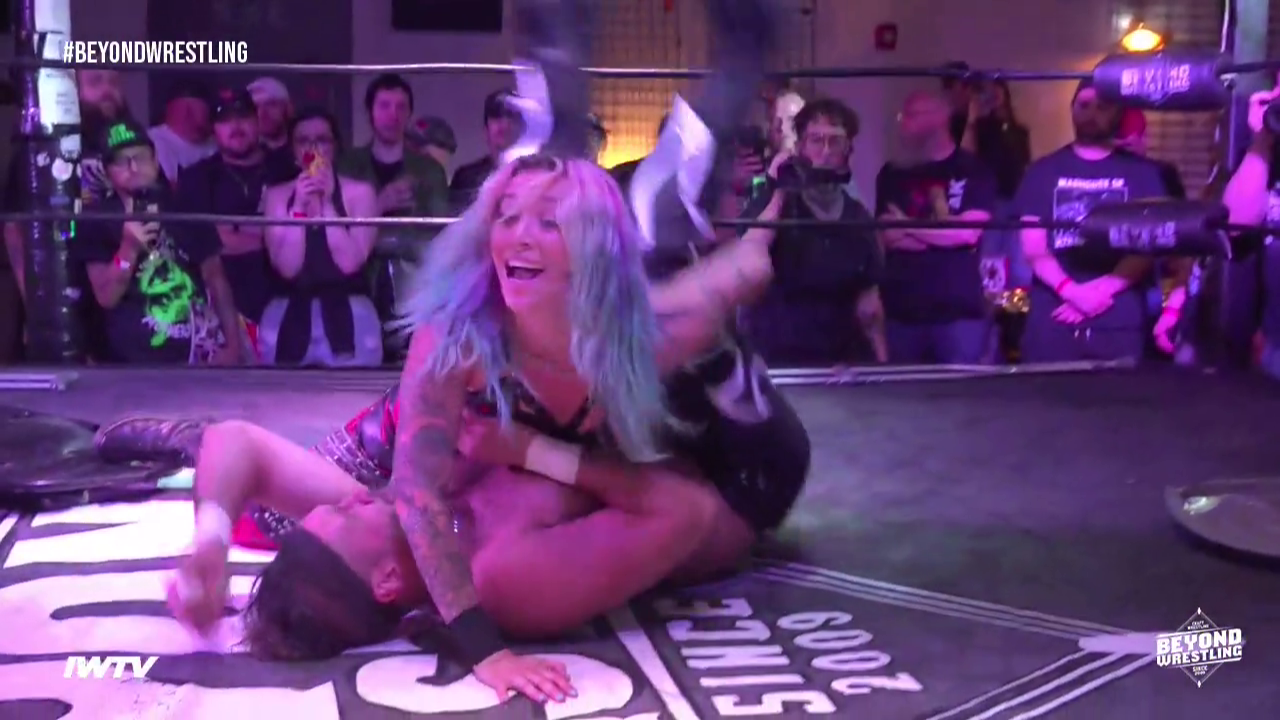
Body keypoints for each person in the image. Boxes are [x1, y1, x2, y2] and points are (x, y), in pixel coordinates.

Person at [1013, 79, 1166, 362]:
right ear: (1072, 109)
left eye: (1102, 107)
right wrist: (1071, 292)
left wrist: (1097, 293)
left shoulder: (1144, 173)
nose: (1092, 113)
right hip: (1053, 317)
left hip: (1118, 316)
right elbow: (1032, 246)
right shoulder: (1041, 171)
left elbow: (1147, 246)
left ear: (1118, 112)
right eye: (1084, 105)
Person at [71, 118, 243, 364]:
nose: (133, 167)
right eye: (121, 161)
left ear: (155, 161)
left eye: (140, 157)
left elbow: (216, 279)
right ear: (108, 172)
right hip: (129, 366)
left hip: (195, 358)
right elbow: (106, 296)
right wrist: (128, 250)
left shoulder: (185, 209)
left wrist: (234, 345)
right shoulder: (97, 220)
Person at [259, 109, 382, 367]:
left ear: (335, 146)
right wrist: (299, 208)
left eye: (322, 140)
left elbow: (350, 262)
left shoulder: (360, 193)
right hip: (290, 309)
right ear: (293, 150)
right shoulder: (277, 196)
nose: (313, 148)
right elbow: (287, 267)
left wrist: (326, 205)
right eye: (303, 140)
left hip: (349, 309)